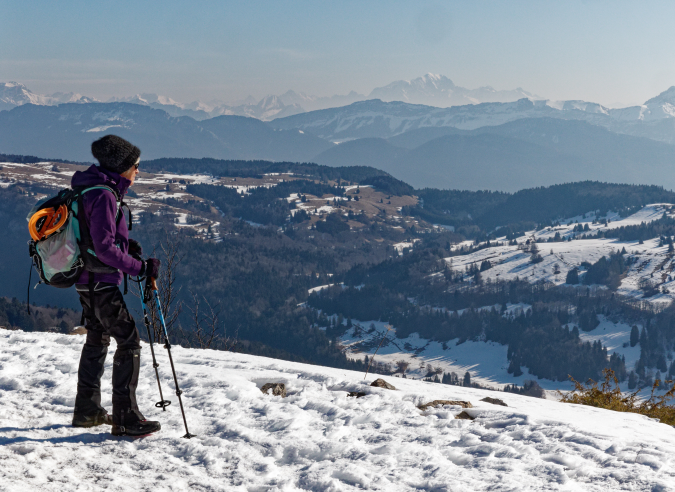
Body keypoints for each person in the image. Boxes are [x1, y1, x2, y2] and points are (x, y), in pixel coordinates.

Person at [70, 135, 162, 436]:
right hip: (101, 281)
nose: (138, 172)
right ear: (121, 167)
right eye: (136, 166)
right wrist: (141, 267)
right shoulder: (105, 195)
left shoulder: (91, 188)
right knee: (129, 339)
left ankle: (87, 411)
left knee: (97, 337)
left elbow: (99, 237)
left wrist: (128, 244)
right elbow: (105, 249)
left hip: (86, 280)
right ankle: (127, 418)